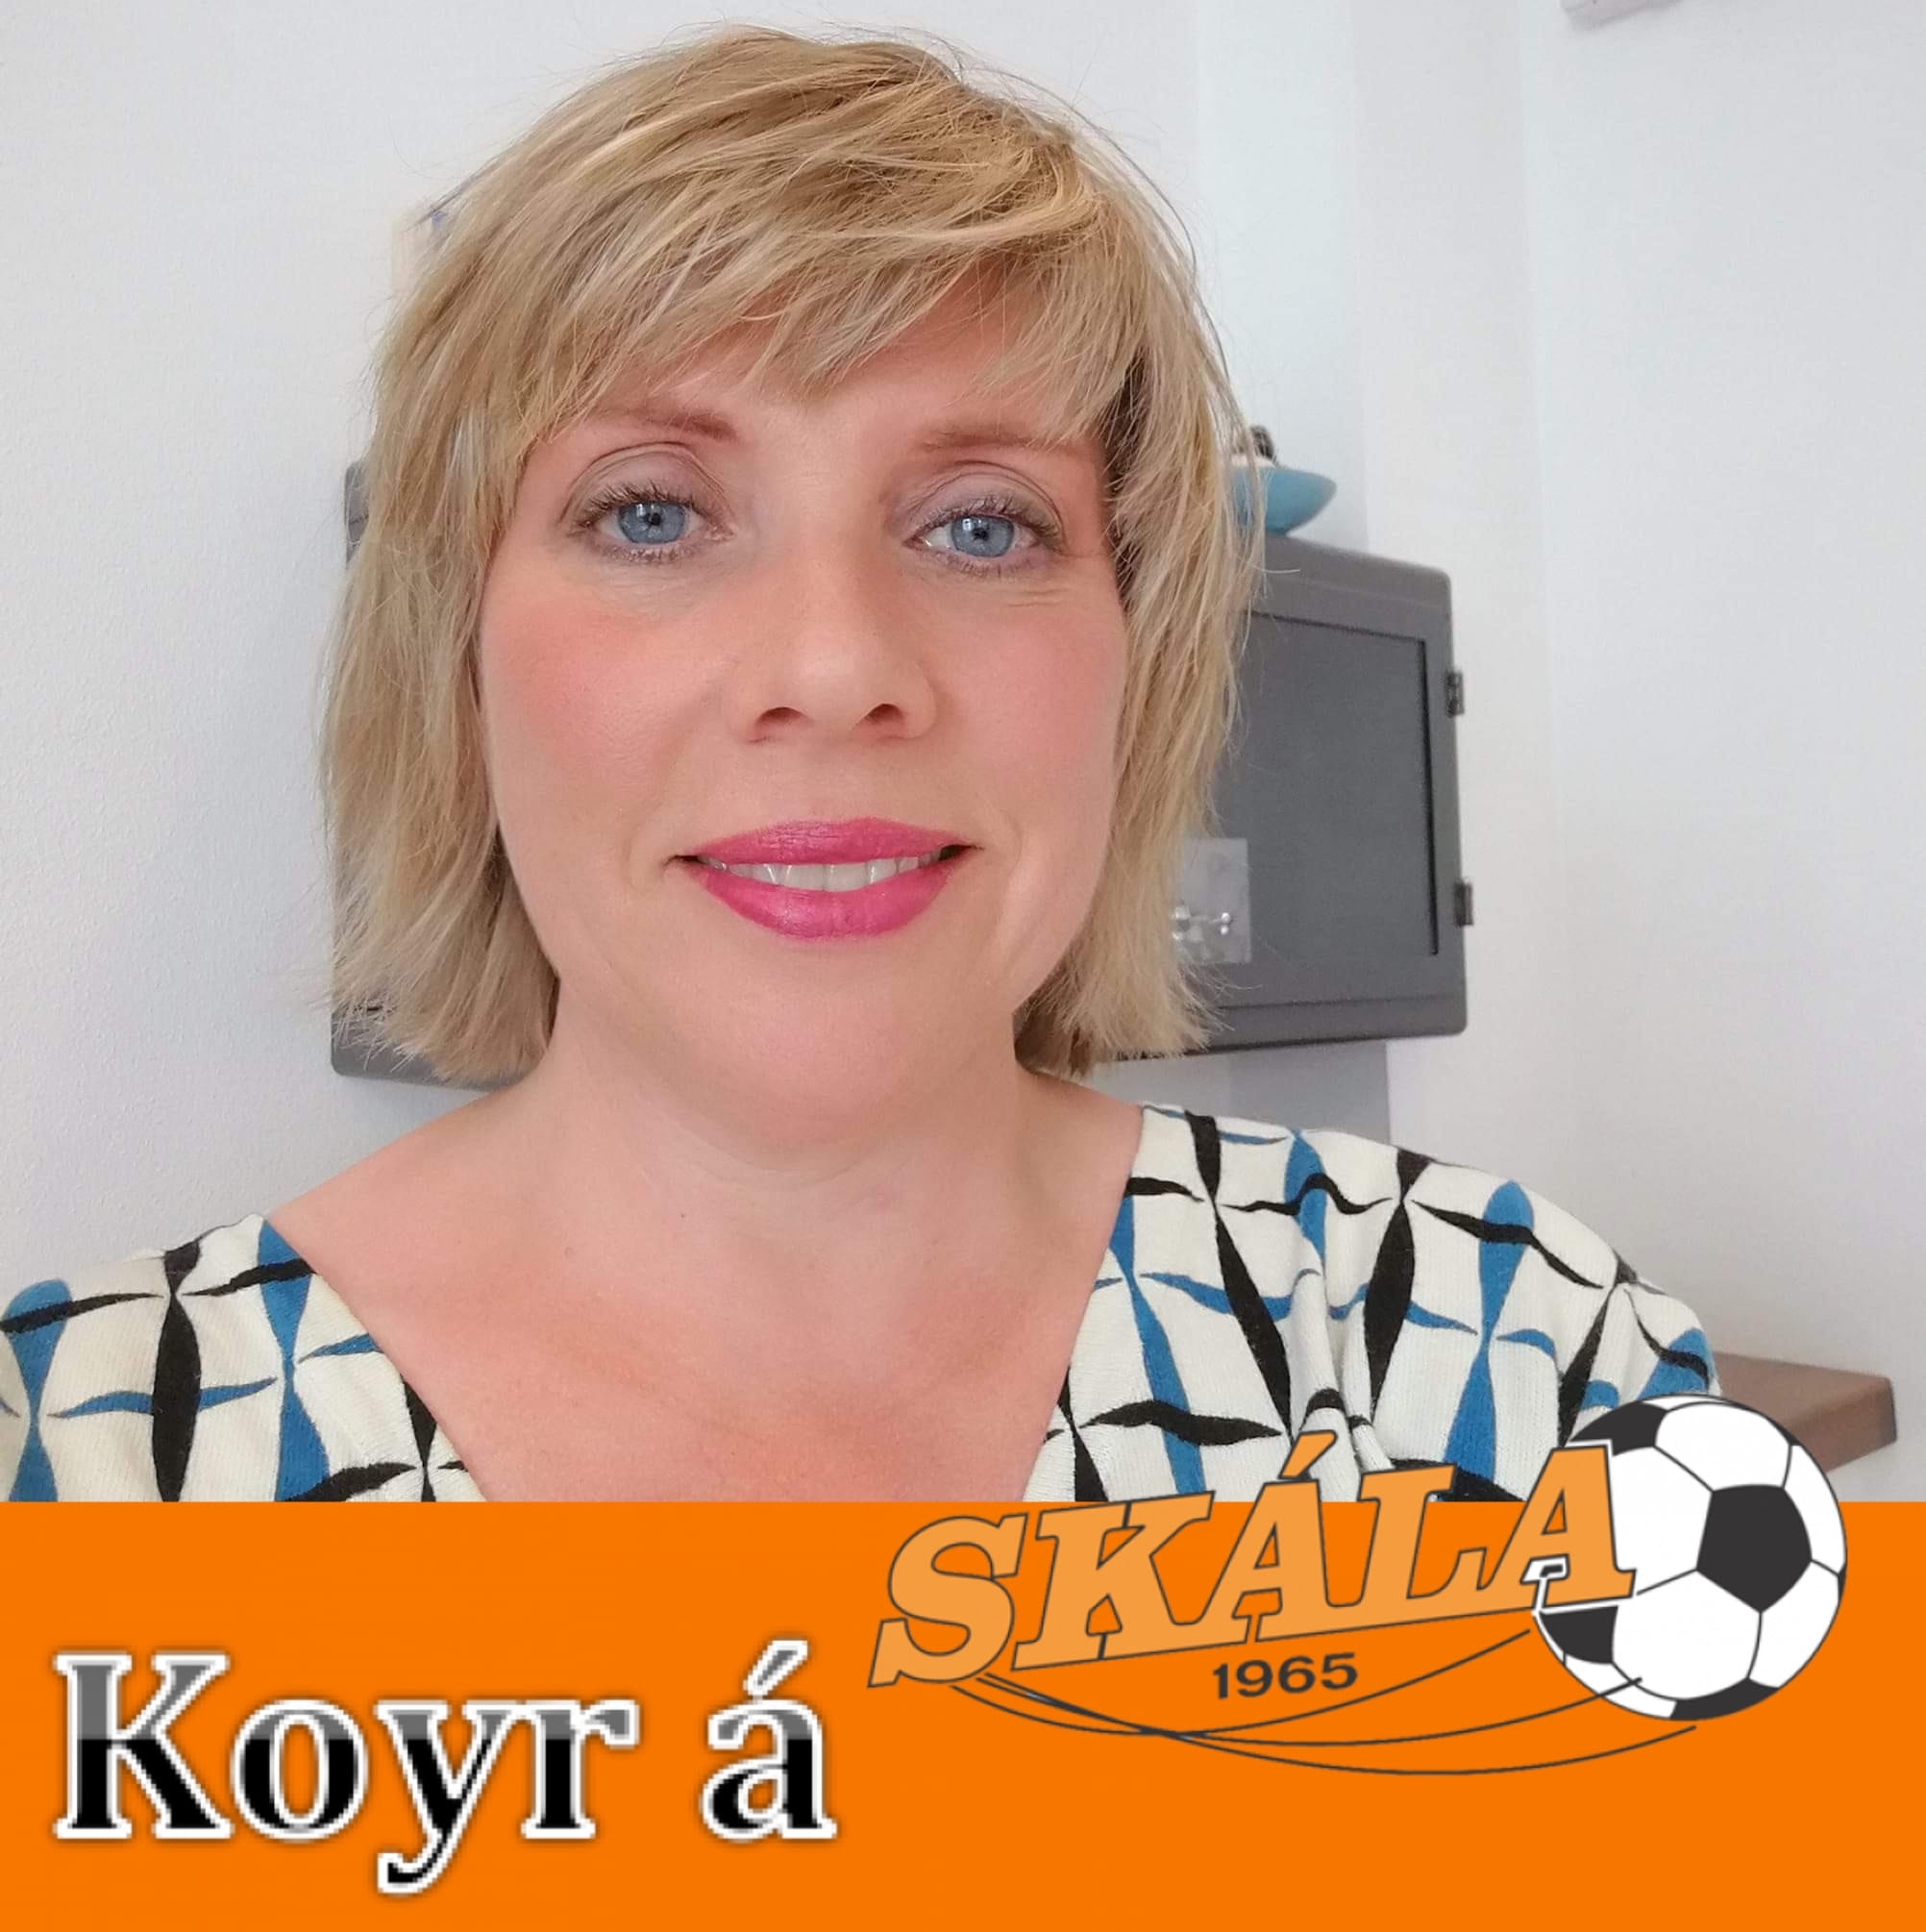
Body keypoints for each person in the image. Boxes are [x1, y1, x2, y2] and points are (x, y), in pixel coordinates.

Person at [1, 24, 1714, 1505]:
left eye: (982, 524)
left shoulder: (1516, 1357)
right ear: (456, 651)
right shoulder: (80, 1452)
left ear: (1139, 660)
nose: (834, 669)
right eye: (651, 513)